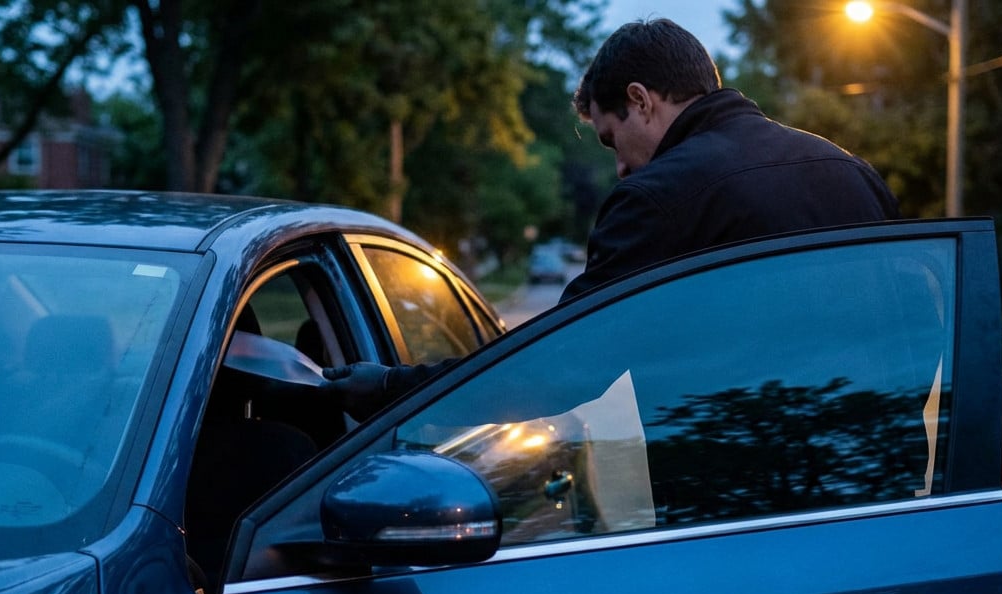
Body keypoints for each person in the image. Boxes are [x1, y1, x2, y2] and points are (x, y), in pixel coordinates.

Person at [324, 17, 899, 416]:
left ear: (642, 99)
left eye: (610, 140)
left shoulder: (656, 198)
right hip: (886, 486)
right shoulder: (853, 172)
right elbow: (915, 337)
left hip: (737, 509)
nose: (620, 167)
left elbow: (559, 368)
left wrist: (390, 389)